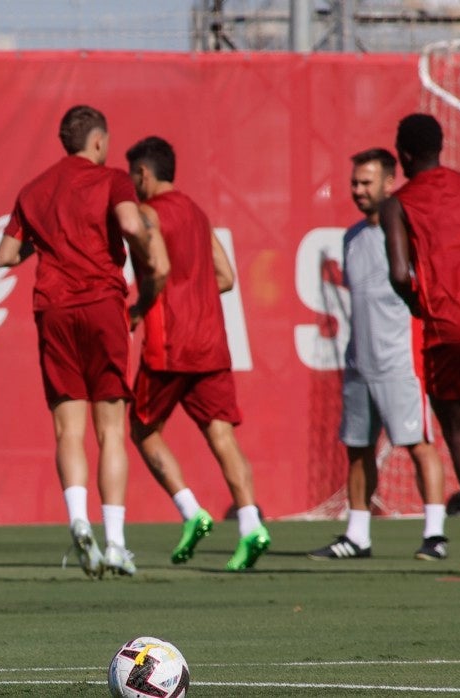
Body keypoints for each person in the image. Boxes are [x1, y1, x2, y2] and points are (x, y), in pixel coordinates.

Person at [0, 106, 168, 579]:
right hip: (101, 304)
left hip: (53, 309)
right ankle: (115, 543)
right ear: (98, 142)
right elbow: (132, 226)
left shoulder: (34, 190)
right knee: (111, 427)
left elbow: (4, 255)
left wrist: (47, 241)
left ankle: (78, 520)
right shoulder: (112, 179)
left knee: (67, 429)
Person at [122, 136, 271, 571]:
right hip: (211, 343)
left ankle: (192, 511)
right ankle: (251, 525)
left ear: (144, 174)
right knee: (222, 436)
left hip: (171, 346)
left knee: (142, 430)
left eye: (134, 176)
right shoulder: (198, 213)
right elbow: (225, 276)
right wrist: (196, 287)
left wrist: (139, 307)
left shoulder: (147, 215)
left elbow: (160, 270)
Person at [309, 147, 448, 562]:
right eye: (354, 182)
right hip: (359, 364)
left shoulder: (407, 232)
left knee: (418, 444)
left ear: (390, 183)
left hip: (400, 361)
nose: (358, 190)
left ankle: (435, 534)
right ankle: (357, 536)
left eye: (366, 182)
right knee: (357, 448)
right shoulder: (351, 236)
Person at [381, 113, 460, 575]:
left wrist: (418, 303)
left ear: (404, 154)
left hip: (449, 329)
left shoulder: (399, 204)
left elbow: (396, 272)